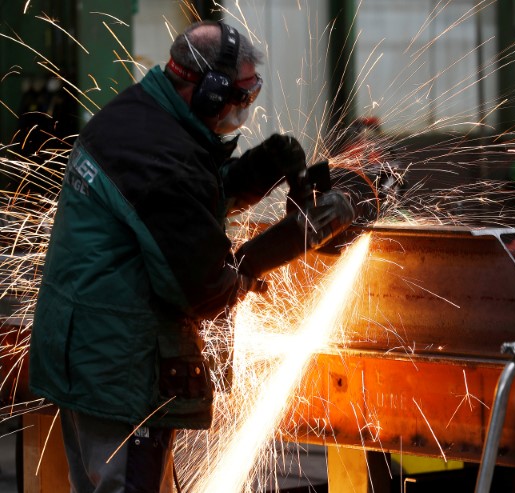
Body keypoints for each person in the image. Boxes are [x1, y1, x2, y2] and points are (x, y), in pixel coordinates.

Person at [28, 20, 357, 492]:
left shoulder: (141, 115)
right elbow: (207, 290)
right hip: (122, 374)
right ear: (208, 91)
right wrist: (278, 247)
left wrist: (250, 174)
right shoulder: (162, 160)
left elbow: (174, 211)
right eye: (240, 98)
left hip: (87, 356)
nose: (242, 111)